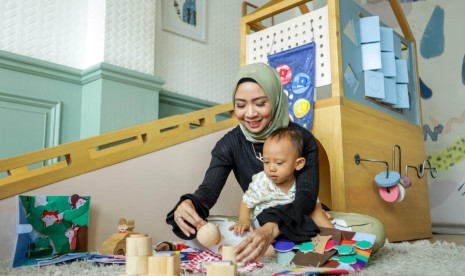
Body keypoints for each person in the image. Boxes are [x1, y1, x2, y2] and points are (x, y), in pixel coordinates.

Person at [166, 62, 385, 263]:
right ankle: (283, 246)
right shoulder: (229, 144)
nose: (250, 114)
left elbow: (306, 198)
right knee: (202, 230)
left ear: (276, 99)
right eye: (241, 105)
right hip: (258, 218)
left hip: (300, 214)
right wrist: (188, 206)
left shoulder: (301, 140)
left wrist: (275, 227)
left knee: (374, 231)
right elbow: (207, 193)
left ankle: (282, 245)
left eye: (260, 103)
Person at [229, 127, 331, 239]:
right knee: (261, 245)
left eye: (279, 162)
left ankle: (334, 236)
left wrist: (320, 215)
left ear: (298, 163)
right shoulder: (262, 181)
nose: (271, 168)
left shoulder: (302, 182)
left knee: (315, 211)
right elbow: (246, 202)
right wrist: (244, 220)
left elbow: (313, 203)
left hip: (292, 222)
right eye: (266, 161)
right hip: (266, 224)